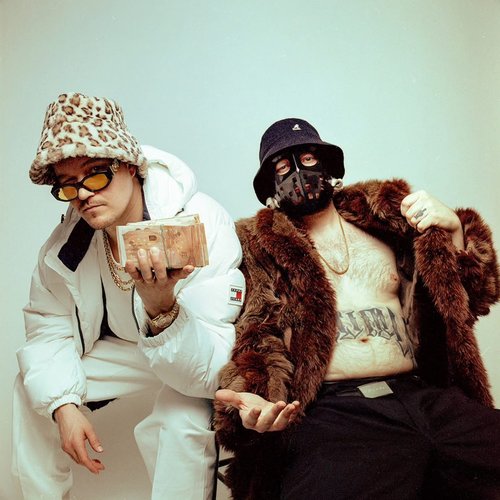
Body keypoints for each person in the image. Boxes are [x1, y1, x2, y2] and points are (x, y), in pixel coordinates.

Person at [214, 118, 500, 499]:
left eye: (307, 158)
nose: (298, 172)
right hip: (336, 412)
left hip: (422, 395)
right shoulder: (260, 246)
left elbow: (470, 301)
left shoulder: (390, 220)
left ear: (329, 167)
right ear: (270, 188)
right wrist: (255, 399)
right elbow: (257, 333)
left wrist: (455, 232)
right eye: (282, 167)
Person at [12, 92, 245, 500]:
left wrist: (162, 308)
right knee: (34, 390)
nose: (83, 194)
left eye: (95, 174)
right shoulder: (65, 246)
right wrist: (63, 406)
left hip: (192, 347)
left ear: (131, 166)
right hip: (127, 352)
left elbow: (215, 369)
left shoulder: (202, 221)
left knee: (183, 417)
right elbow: (48, 326)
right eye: (68, 186)